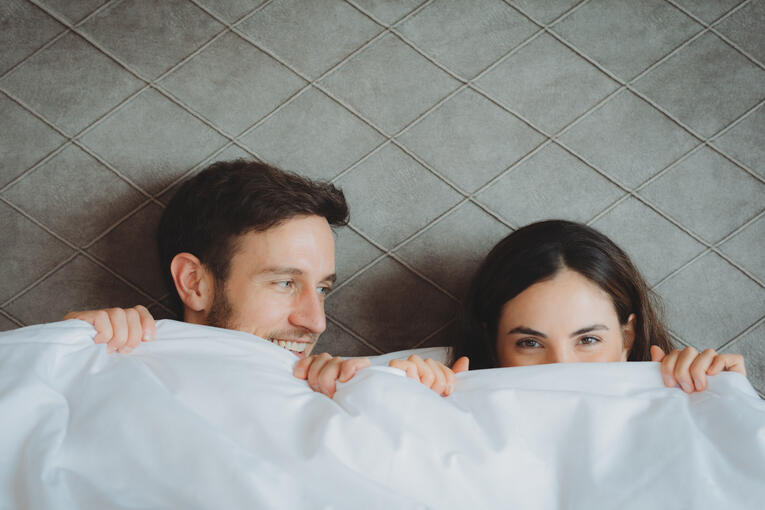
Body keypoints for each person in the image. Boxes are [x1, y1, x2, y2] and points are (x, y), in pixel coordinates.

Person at [65, 159, 459, 398]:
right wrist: (70, 355)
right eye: (285, 283)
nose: (316, 321)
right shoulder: (102, 367)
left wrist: (410, 402)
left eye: (322, 289)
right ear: (194, 282)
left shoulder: (340, 387)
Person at [448, 219, 746, 393]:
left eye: (588, 340)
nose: (561, 367)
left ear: (627, 337)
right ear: (493, 343)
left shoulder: (692, 400)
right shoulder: (445, 406)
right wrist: (411, 405)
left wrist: (730, 402)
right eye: (529, 343)